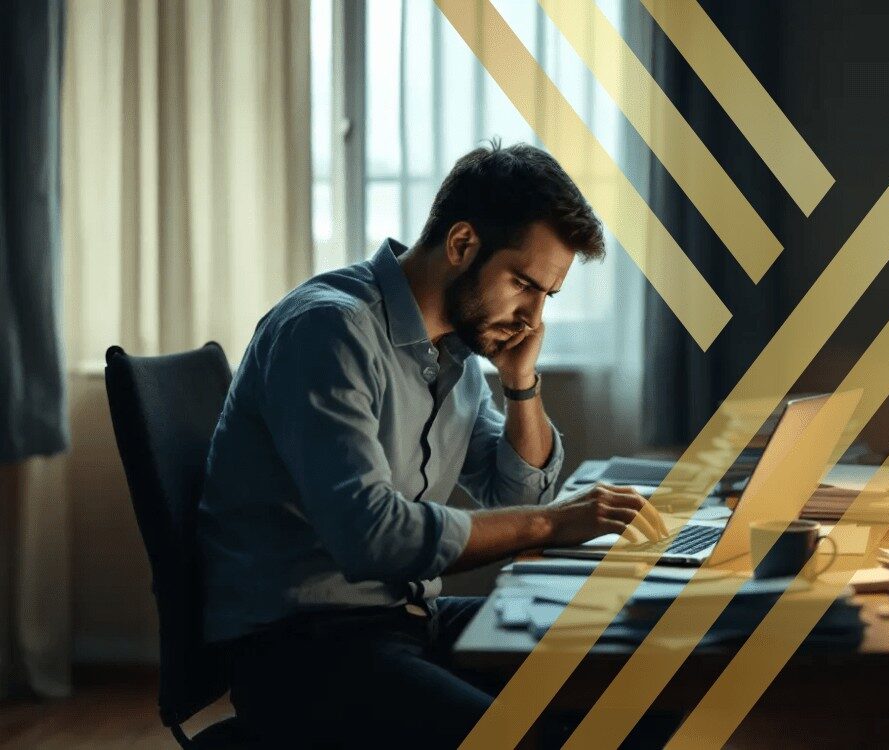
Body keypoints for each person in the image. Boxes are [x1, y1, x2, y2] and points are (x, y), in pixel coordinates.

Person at [197, 141, 667, 748]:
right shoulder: (328, 330)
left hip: (407, 624)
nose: (532, 318)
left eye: (547, 296)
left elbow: (513, 486)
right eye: (524, 284)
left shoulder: (453, 351)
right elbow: (375, 536)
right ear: (463, 244)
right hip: (305, 652)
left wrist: (520, 382)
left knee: (644, 672)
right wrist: (550, 526)